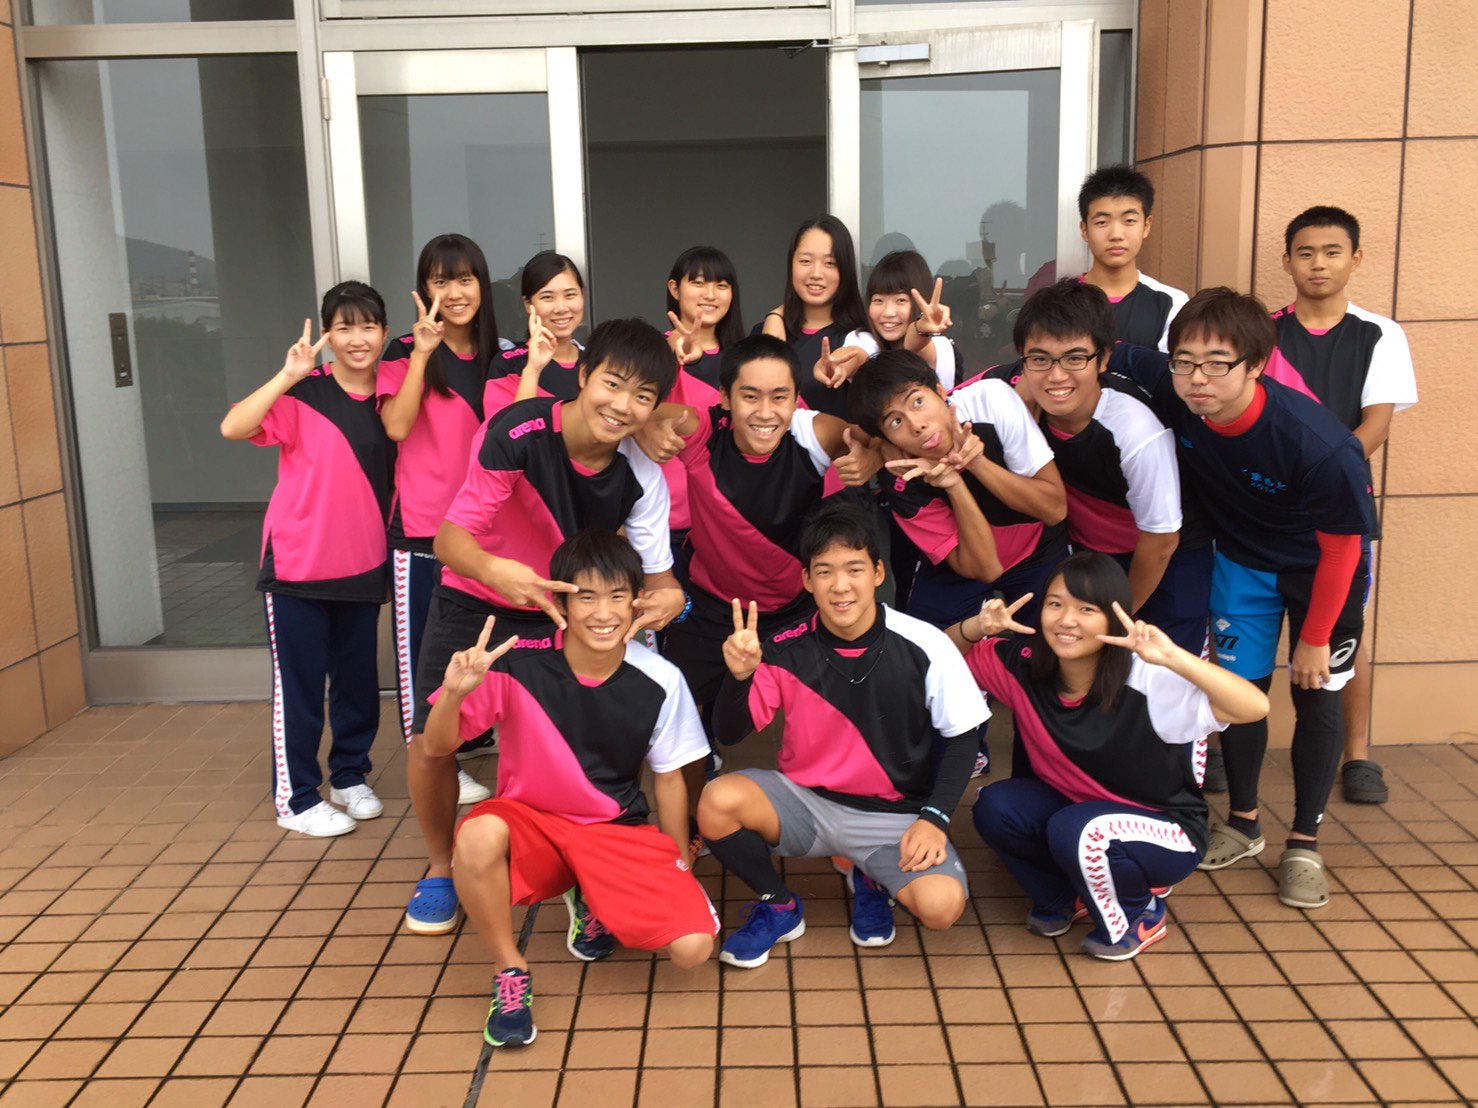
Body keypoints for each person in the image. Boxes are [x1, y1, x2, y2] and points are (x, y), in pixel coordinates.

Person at [401, 318, 687, 935]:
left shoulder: (642, 473)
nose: (623, 405)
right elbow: (448, 539)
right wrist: (497, 572)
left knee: (596, 743)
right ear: (582, 375)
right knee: (432, 741)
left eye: (643, 396)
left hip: (570, 617)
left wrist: (669, 601)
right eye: (613, 383)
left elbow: (662, 580)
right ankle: (440, 868)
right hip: (479, 602)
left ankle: (585, 861)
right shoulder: (518, 430)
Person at [1109, 288, 1375, 910]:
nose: (1196, 379)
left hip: (1321, 573)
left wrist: (1315, 637)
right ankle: (1245, 822)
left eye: (1216, 364)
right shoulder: (1176, 387)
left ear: (1256, 364)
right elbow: (1099, 350)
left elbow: (1343, 548)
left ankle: (1304, 842)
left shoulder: (1317, 442)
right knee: (1237, 694)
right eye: (1184, 361)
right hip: (1242, 563)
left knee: (1316, 696)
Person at [427, 530, 717, 1047]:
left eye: (616, 596)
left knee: (693, 949)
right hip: (532, 821)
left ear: (637, 602)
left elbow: (670, 777)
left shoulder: (661, 678)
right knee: (475, 836)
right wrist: (452, 696)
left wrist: (680, 862)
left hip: (613, 829)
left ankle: (591, 893)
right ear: (559, 602)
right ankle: (510, 970)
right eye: (585, 597)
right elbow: (435, 747)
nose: (603, 613)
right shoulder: (517, 663)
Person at [697, 503, 989, 967]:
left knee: (942, 907)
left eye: (854, 568)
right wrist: (739, 678)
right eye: (825, 571)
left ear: (878, 573)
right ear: (807, 580)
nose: (840, 585)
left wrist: (934, 818)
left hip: (893, 815)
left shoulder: (925, 643)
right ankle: (779, 906)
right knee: (717, 800)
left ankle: (870, 875)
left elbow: (963, 737)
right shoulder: (783, 648)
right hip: (805, 803)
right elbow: (730, 734)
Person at [954, 554, 1269, 960]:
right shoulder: (1024, 665)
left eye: (1086, 609)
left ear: (1113, 617)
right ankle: (1065, 897)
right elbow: (936, 657)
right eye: (1055, 604)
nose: (1067, 620)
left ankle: (1139, 913)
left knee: (1079, 829)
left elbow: (1254, 707)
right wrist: (975, 627)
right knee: (996, 806)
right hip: (1080, 815)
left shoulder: (1148, 678)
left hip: (1166, 831)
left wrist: (1174, 657)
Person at [657, 335, 878, 828]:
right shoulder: (705, 432)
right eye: (749, 396)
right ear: (724, 397)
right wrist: (653, 425)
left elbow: (875, 436)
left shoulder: (814, 432)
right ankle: (693, 820)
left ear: (796, 398)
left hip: (795, 605)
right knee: (680, 714)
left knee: (841, 706)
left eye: (780, 396)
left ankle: (842, 821)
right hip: (711, 603)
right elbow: (661, 416)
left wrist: (873, 457)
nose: (765, 412)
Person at [220, 283, 395, 836]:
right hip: (299, 566)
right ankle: (295, 799)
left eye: (368, 326)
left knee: (357, 682)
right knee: (299, 689)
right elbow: (234, 427)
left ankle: (349, 775)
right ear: (327, 335)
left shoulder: (395, 395)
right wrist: (287, 374)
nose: (357, 339)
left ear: (385, 332)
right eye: (344, 328)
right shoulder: (304, 392)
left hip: (364, 563)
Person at [1267, 206, 1418, 805]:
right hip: (1267, 507)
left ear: (1356, 258)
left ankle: (1357, 753)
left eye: (1332, 252)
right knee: (1249, 629)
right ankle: (1227, 744)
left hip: (1341, 510)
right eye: (1305, 253)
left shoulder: (1379, 333)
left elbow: (1376, 424)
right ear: (1287, 262)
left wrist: (1320, 477)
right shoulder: (1263, 333)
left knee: (1342, 632)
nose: (1318, 264)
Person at [1011, 278, 1212, 656]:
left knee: (1163, 676)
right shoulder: (1021, 402)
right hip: (1092, 555)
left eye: (1074, 358)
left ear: (1104, 358)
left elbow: (1162, 542)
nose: (1056, 375)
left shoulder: (1135, 432)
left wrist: (1118, 618)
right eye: (1039, 359)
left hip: (1167, 560)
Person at [376, 234, 507, 806]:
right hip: (424, 532)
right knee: (423, 662)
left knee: (485, 646)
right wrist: (422, 355)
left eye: (464, 279)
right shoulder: (406, 349)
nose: (454, 292)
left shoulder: (503, 352)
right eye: (440, 280)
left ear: (482, 285)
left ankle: (472, 740)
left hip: (487, 532)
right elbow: (396, 426)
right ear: (424, 288)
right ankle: (434, 762)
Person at [847, 350, 1069, 629]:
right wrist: (953, 484)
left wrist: (976, 463)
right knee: (925, 644)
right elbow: (987, 569)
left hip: (1037, 548)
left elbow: (1055, 510)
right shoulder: (899, 477)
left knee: (1060, 632)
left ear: (940, 391)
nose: (917, 425)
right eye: (895, 421)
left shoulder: (990, 400)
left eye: (917, 402)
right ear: (886, 439)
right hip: (965, 563)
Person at [757, 215, 867, 419]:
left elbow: (856, 357)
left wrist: (839, 366)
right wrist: (775, 318)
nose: (816, 273)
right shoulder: (764, 331)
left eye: (830, 263)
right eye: (805, 261)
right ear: (791, 264)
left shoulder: (858, 336)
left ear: (846, 269)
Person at [1077, 166, 1187, 352]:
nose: (1116, 235)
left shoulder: (1172, 303)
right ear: (1084, 230)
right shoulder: (1057, 303)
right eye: (1102, 222)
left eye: (1129, 221)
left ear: (1146, 226)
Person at [841, 250, 964, 390]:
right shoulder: (863, 338)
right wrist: (836, 366)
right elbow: (854, 355)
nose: (888, 312)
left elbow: (915, 347)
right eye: (878, 300)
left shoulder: (940, 347)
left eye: (901, 300)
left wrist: (921, 327)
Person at [484, 251, 588, 413]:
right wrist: (532, 371)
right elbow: (509, 428)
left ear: (582, 295)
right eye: (547, 297)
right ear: (528, 304)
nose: (561, 308)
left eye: (570, 295)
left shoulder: (598, 362)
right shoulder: (507, 366)